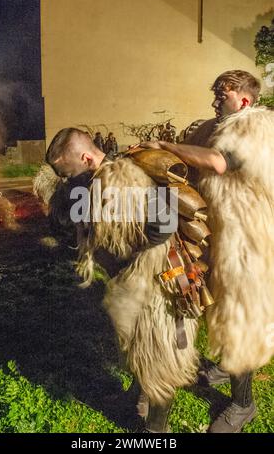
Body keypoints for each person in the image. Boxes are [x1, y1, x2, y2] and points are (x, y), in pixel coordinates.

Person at [37, 127, 210, 433]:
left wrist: (125, 252)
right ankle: (138, 392)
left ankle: (155, 430)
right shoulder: (99, 179)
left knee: (159, 358)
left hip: (158, 285)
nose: (67, 181)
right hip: (132, 283)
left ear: (87, 157)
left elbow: (162, 226)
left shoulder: (128, 176)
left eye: (68, 173)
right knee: (137, 346)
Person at [141, 70, 274, 433]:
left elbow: (217, 161)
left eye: (222, 95)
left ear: (244, 100)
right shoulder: (216, 125)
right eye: (215, 94)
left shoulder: (257, 128)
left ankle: (244, 405)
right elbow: (188, 165)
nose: (215, 101)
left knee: (238, 321)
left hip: (247, 245)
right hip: (215, 238)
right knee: (207, 301)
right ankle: (220, 368)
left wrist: (167, 147)